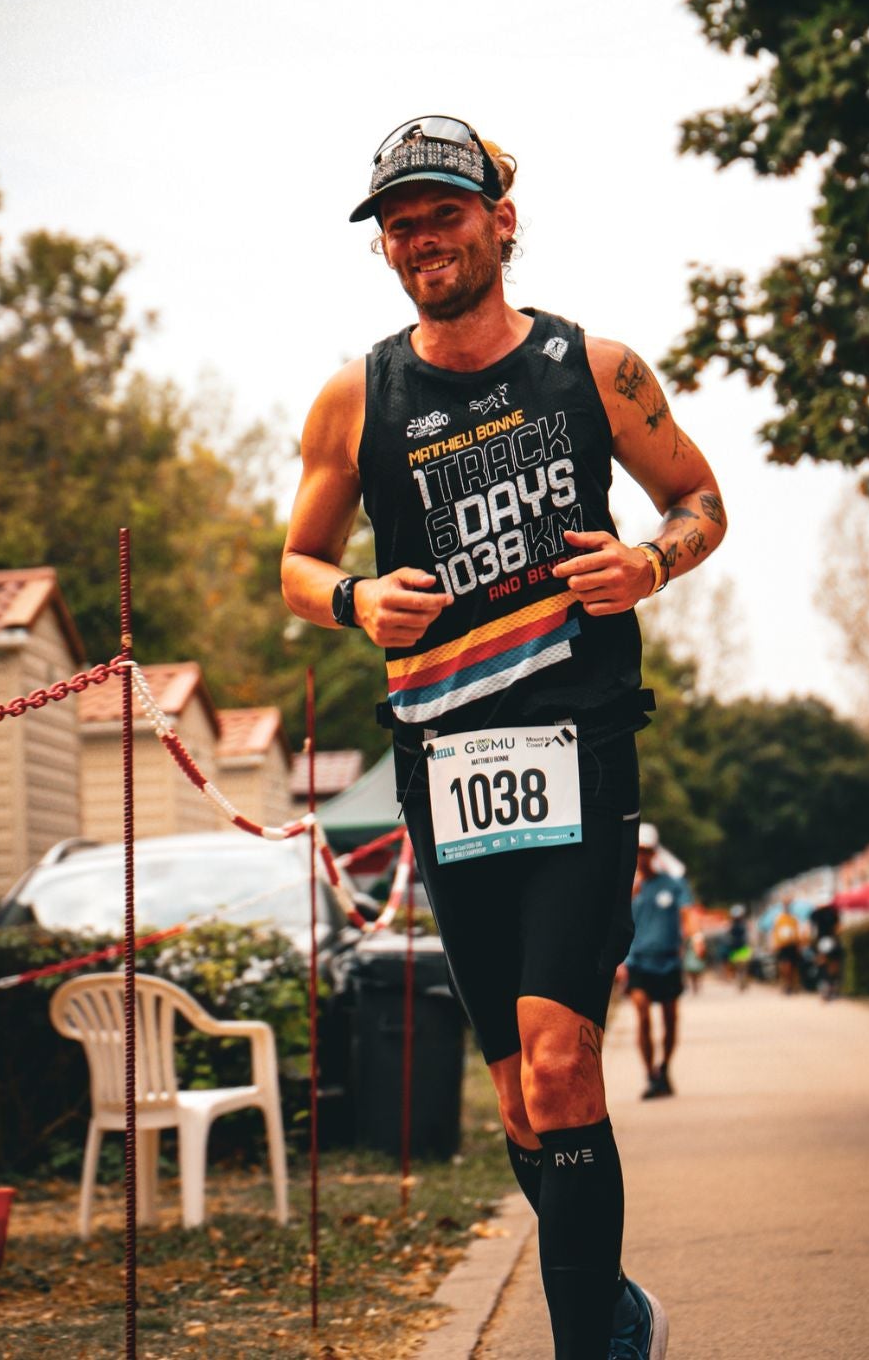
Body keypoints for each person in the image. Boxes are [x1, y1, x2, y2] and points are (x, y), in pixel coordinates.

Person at [281, 115, 728, 1360]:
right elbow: (296, 563)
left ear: (500, 220)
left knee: (558, 1063)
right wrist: (358, 601)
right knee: (520, 1103)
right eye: (400, 224)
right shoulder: (355, 396)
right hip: (445, 766)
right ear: (386, 250)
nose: (422, 238)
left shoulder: (594, 371)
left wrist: (646, 560)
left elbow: (701, 502)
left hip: (581, 745)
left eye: (444, 212)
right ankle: (613, 1300)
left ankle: (588, 1341)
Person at [620, 823, 684, 1099]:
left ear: (655, 853)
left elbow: (688, 913)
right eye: (638, 851)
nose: (642, 856)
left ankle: (665, 1067)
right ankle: (650, 1074)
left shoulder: (672, 885)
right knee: (642, 1013)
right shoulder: (626, 888)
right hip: (638, 962)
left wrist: (697, 939)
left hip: (668, 961)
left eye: (647, 851)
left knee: (669, 1020)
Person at [771, 897, 803, 996]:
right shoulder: (779, 918)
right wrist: (775, 943)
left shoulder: (794, 918)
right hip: (782, 945)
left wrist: (798, 944)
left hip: (792, 944)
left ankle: (792, 985)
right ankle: (786, 984)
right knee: (784, 967)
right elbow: (775, 932)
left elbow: (797, 931)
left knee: (793, 967)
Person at [725, 904, 752, 989]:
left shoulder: (744, 923)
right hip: (735, 948)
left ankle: (744, 981)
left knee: (744, 966)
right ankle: (741, 981)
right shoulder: (732, 924)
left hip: (743, 947)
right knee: (738, 966)